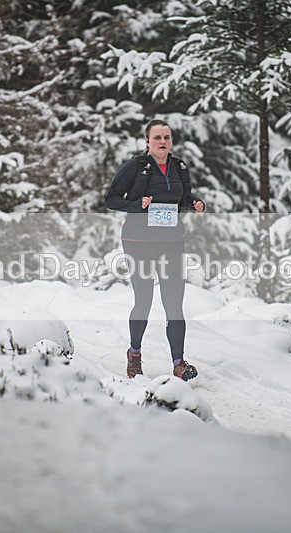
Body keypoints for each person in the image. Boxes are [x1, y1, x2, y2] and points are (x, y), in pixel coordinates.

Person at [105, 119, 205, 381]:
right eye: (157, 137)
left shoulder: (179, 166)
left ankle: (178, 363)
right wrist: (138, 204)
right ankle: (134, 355)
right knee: (144, 300)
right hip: (139, 242)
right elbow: (111, 199)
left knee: (174, 303)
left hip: (172, 240)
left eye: (167, 137)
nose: (163, 142)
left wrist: (194, 202)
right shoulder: (136, 167)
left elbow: (183, 198)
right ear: (147, 141)